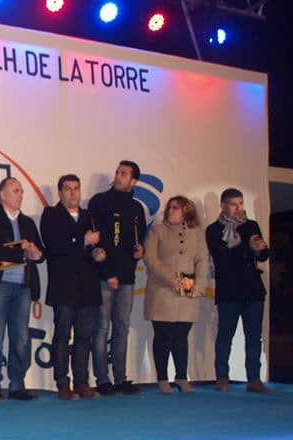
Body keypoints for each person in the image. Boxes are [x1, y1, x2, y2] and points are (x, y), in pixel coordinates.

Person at [0, 177, 44, 401]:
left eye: (22, 191)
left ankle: (17, 384)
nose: (20, 195)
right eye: (15, 190)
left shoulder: (28, 223)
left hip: (23, 286)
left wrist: (35, 252)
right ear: (2, 195)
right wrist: (19, 250)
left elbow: (40, 253)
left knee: (21, 338)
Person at [39, 174, 103, 400]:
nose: (73, 193)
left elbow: (95, 245)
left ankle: (82, 382)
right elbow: (55, 245)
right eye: (68, 189)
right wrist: (83, 242)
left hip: (88, 286)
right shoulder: (51, 215)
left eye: (76, 188)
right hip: (63, 286)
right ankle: (62, 383)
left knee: (84, 337)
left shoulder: (89, 216)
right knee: (62, 337)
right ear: (60, 192)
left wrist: (97, 252)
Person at [87, 160, 147, 395]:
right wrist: (108, 273)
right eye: (118, 172)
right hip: (104, 277)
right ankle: (102, 380)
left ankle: (120, 378)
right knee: (101, 328)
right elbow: (97, 243)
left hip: (128, 278)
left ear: (133, 181)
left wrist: (140, 250)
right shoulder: (99, 202)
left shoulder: (136, 208)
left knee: (122, 327)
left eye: (124, 174)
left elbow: (137, 239)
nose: (118, 176)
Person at [206, 188, 271, 393]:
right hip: (229, 290)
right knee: (225, 335)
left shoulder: (251, 225)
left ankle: (254, 378)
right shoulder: (214, 230)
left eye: (241, 204)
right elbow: (221, 258)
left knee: (254, 336)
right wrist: (247, 247)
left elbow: (262, 256)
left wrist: (260, 248)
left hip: (252, 289)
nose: (239, 208)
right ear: (223, 205)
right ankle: (222, 377)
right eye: (234, 204)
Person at [143, 196, 209, 394]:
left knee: (181, 336)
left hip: (187, 293)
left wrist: (200, 285)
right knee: (163, 336)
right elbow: (150, 258)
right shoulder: (157, 231)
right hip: (162, 291)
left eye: (175, 208)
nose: (170, 211)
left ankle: (181, 377)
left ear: (186, 211)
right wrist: (170, 278)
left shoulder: (197, 234)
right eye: (169, 208)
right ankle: (162, 379)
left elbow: (202, 261)